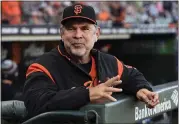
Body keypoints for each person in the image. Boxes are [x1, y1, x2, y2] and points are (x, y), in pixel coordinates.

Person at [23, 3, 159, 119]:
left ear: (97, 34)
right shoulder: (43, 66)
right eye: (71, 28)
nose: (77, 35)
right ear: (62, 34)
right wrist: (87, 93)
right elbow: (35, 103)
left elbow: (132, 75)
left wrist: (141, 89)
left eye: (85, 28)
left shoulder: (109, 62)